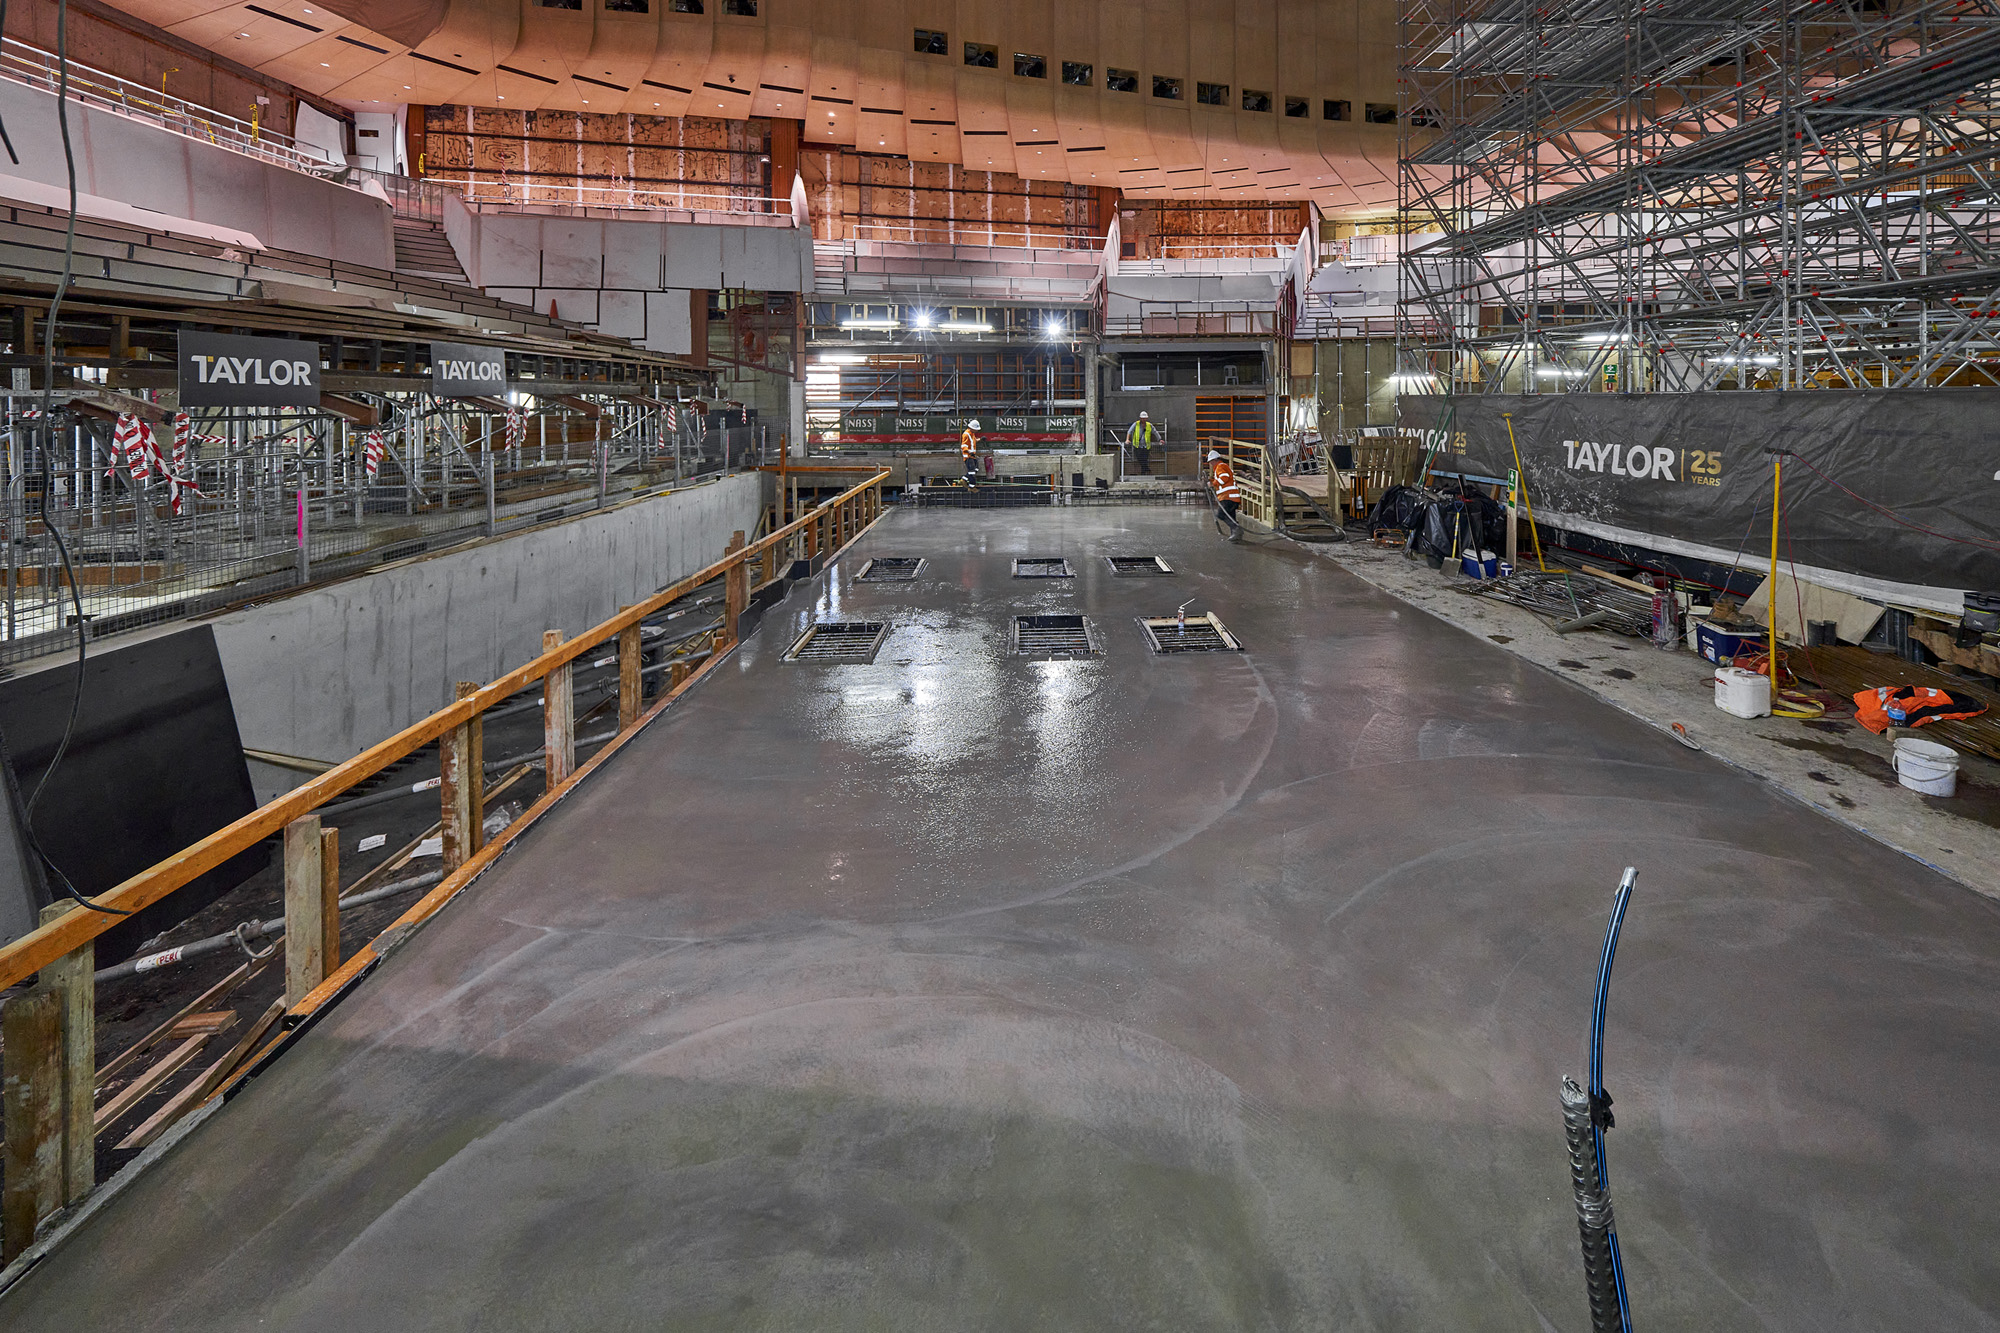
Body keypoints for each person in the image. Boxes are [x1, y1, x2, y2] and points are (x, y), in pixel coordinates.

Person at [1208, 448, 1242, 530]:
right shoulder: (1223, 466)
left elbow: (1224, 478)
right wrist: (1211, 480)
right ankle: (1236, 535)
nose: (1211, 464)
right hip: (1234, 498)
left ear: (1215, 460)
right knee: (1231, 518)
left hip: (1227, 497)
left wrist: (1213, 484)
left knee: (1221, 515)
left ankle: (1236, 529)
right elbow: (1225, 478)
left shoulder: (1220, 466)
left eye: (1211, 461)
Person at [1127, 411, 1159, 475]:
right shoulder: (1136, 424)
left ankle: (1143, 473)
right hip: (1137, 446)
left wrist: (1159, 439)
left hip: (1146, 446)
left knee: (1144, 459)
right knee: (1140, 459)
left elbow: (1155, 432)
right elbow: (1129, 431)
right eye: (1142, 418)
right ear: (1140, 418)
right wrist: (1127, 439)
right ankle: (1147, 469)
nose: (1144, 419)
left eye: (1145, 418)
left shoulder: (1149, 425)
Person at [961, 418, 983, 486]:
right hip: (968, 456)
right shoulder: (966, 434)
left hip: (972, 456)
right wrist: (969, 452)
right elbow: (963, 446)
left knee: (976, 469)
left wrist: (980, 439)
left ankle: (964, 479)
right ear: (972, 428)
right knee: (972, 472)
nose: (977, 431)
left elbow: (973, 441)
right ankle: (971, 486)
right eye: (976, 429)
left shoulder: (971, 434)